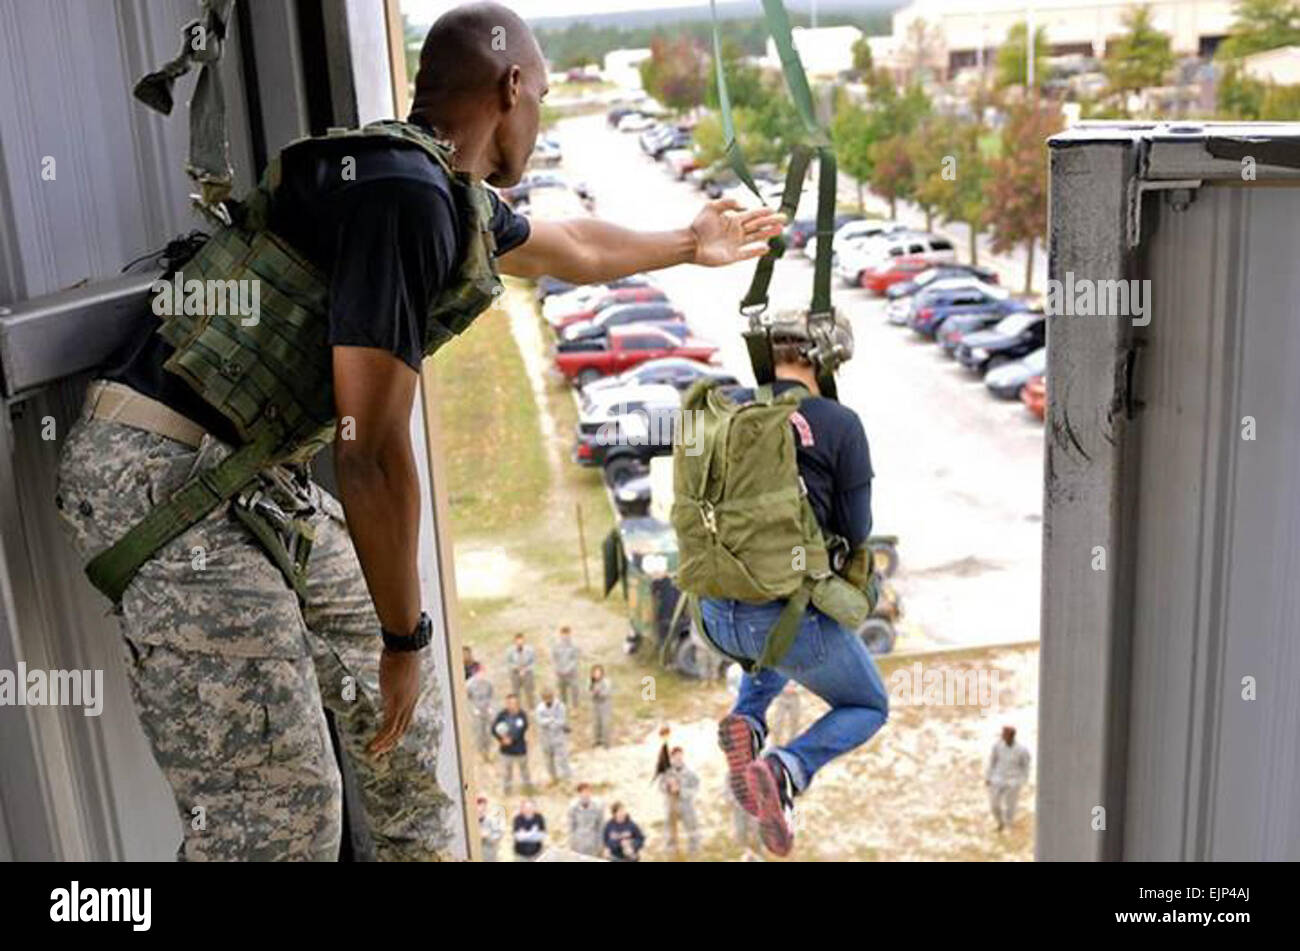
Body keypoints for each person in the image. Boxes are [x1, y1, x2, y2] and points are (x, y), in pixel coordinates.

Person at [53, 0, 781, 861]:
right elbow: (367, 450)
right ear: (512, 86)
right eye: (540, 98)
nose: (539, 122)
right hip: (160, 480)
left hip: (235, 476)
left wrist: (688, 242)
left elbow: (570, 243)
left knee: (405, 716)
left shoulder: (430, 185)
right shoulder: (403, 197)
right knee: (281, 822)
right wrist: (403, 637)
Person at [694, 312, 889, 858]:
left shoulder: (723, 408)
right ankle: (785, 768)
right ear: (822, 361)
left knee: (773, 642)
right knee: (869, 705)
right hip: (783, 618)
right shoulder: (839, 422)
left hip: (713, 611)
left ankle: (748, 721)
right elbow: (857, 531)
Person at [986, 725, 1032, 832]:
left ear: (1011, 736)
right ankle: (1000, 823)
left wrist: (1022, 781)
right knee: (994, 804)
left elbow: (1026, 766)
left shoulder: (1022, 750)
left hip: (1013, 781)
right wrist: (988, 776)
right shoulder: (997, 746)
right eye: (1003, 734)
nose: (1003, 736)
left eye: (1005, 734)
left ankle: (1008, 825)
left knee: (1010, 805)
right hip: (998, 778)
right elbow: (992, 761)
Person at [658, 746, 701, 856]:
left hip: (686, 805)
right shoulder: (667, 772)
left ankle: (694, 852)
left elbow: (695, 789)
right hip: (671, 805)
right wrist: (668, 786)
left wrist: (680, 791)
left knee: (692, 829)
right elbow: (660, 787)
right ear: (672, 758)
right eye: (676, 757)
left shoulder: (690, 773)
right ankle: (671, 852)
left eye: (680, 757)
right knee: (670, 830)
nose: (678, 759)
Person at [493, 694, 532, 795]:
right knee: (506, 773)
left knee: (525, 772)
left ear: (518, 703)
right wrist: (501, 739)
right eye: (510, 703)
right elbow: (493, 728)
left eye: (514, 703)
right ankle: (507, 792)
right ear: (506, 703)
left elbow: (522, 729)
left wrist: (511, 739)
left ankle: (528, 791)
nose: (512, 705)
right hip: (506, 751)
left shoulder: (522, 715)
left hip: (520, 750)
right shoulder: (502, 715)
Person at [535, 688, 572, 784]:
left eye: (549, 698)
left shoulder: (560, 706)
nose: (547, 700)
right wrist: (550, 720)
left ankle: (566, 776)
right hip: (545, 737)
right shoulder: (540, 708)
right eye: (545, 698)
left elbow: (561, 721)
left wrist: (550, 722)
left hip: (557, 736)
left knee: (562, 757)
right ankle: (553, 777)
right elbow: (540, 721)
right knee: (548, 759)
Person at [465, 662, 495, 763]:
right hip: (476, 712)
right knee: (479, 733)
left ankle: (487, 752)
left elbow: (491, 696)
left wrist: (490, 707)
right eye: (479, 673)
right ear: (474, 673)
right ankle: (480, 752)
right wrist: (473, 709)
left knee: (488, 732)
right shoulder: (469, 685)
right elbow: (467, 700)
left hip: (486, 711)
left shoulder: (488, 683)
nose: (481, 675)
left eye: (483, 673)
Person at [567, 782, 604, 857]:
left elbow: (601, 826)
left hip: (593, 840)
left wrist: (600, 844)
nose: (586, 794)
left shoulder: (598, 806)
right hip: (579, 841)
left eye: (588, 792)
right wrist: (572, 844)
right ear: (579, 794)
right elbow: (571, 827)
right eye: (583, 792)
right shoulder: (573, 807)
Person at [551, 626, 581, 710]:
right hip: (560, 673)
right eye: (563, 635)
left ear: (570, 635)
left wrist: (568, 669)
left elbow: (575, 659)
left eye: (567, 634)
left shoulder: (574, 646)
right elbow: (554, 658)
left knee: (574, 690)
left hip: (572, 673)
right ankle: (563, 707)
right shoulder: (556, 646)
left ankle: (575, 708)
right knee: (562, 690)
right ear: (560, 635)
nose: (565, 637)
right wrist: (557, 669)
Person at [505, 633, 538, 711]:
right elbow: (508, 663)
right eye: (518, 642)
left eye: (521, 642)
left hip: (527, 673)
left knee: (529, 691)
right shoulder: (510, 651)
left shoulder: (530, 650)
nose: (520, 643)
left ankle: (531, 707)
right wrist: (517, 668)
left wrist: (525, 670)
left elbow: (533, 662)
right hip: (515, 674)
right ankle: (517, 708)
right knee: (516, 692)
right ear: (515, 642)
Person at [771, 682, 802, 747]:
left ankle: (792, 743)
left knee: (794, 721)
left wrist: (796, 688)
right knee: (778, 720)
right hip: (782, 696)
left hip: (795, 696)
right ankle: (775, 743)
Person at [589, 664, 613, 748]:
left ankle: (606, 741)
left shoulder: (606, 682)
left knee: (605, 723)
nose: (596, 675)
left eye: (598, 673)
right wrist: (593, 693)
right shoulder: (591, 682)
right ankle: (596, 740)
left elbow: (607, 693)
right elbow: (588, 692)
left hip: (605, 704)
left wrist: (599, 693)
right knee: (596, 722)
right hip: (595, 704)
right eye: (595, 673)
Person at [477, 795, 504, 862]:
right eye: (479, 806)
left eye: (484, 807)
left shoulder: (492, 821)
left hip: (490, 857)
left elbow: (498, 836)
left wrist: (488, 835)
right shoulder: (470, 823)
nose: (481, 810)